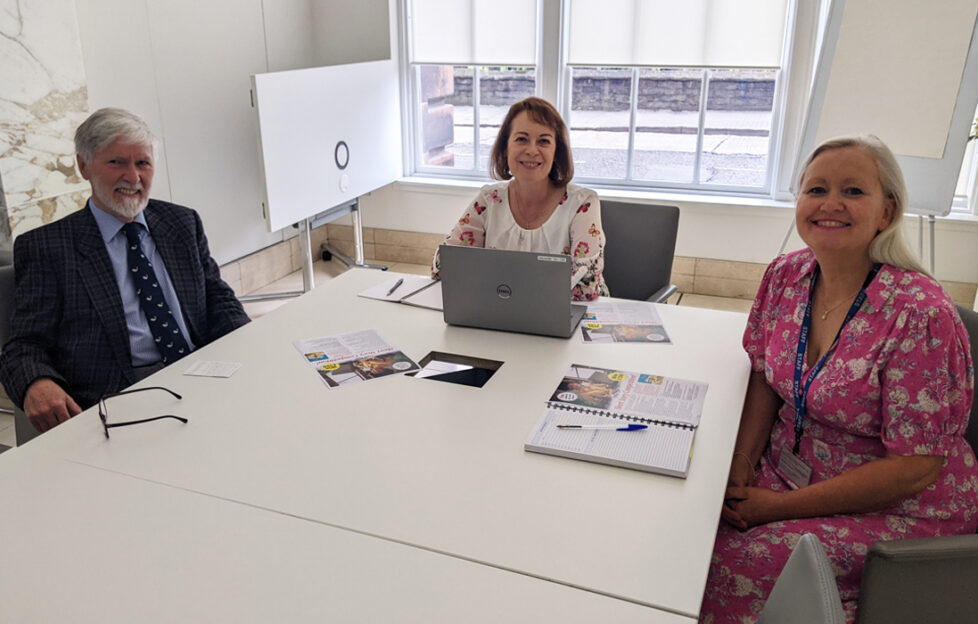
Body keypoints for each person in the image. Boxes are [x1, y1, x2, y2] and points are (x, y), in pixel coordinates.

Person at [699, 135, 978, 623]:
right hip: (787, 468)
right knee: (689, 528)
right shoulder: (786, 276)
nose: (831, 204)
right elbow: (766, 377)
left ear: (886, 212)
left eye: (853, 191)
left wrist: (773, 509)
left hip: (896, 504)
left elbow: (915, 466)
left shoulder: (920, 315)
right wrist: (742, 463)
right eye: (816, 190)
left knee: (728, 567)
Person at [0, 108, 250, 434]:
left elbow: (217, 298)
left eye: (142, 163)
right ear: (83, 166)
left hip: (199, 372)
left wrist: (249, 341)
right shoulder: (48, 247)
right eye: (116, 162)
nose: (133, 177)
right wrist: (37, 382)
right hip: (114, 399)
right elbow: (23, 345)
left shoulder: (182, 222)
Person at [431, 97, 607, 301]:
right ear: (506, 148)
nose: (532, 150)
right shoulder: (489, 200)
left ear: (556, 151)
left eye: (543, 141)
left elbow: (585, 288)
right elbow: (443, 267)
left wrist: (500, 284)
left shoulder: (583, 203)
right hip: (501, 312)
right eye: (521, 139)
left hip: (575, 317)